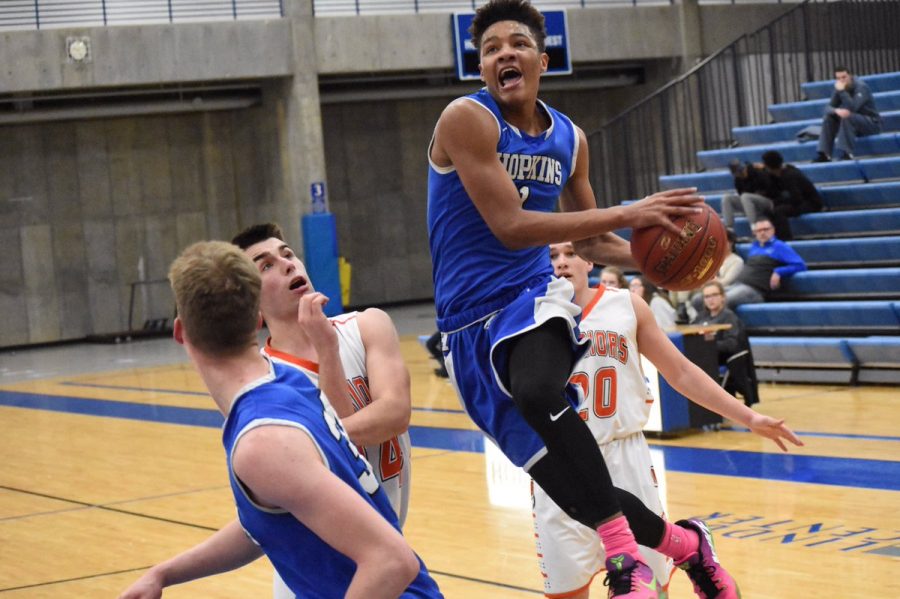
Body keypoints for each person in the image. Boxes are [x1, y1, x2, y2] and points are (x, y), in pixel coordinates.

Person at [427, 1, 780, 596]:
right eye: (489, 49)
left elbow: (589, 242)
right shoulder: (467, 118)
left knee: (540, 391)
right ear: (482, 67)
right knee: (571, 490)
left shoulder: (570, 138)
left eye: (515, 44)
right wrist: (631, 212)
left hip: (528, 294)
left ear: (542, 59)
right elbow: (509, 224)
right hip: (465, 323)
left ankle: (624, 559)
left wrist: (661, 260)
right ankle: (689, 547)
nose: (502, 55)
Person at [117, 241, 442, 599]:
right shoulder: (290, 385)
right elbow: (267, 518)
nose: (285, 265)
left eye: (287, 255)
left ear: (181, 333)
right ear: (255, 319)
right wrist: (163, 574)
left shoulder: (262, 441)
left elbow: (392, 561)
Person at [542, 242, 798, 598]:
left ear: (590, 258)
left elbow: (680, 371)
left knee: (648, 588)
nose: (561, 262)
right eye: (551, 255)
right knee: (566, 591)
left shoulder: (626, 305)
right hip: (556, 465)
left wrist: (748, 415)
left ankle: (691, 551)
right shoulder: (530, 315)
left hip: (623, 456)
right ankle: (692, 547)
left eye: (570, 253)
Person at [231, 223, 415, 599]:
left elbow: (394, 412)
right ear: (252, 305)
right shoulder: (261, 383)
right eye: (265, 266)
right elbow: (341, 463)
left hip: (379, 558)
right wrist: (327, 352)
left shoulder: (367, 326)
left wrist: (327, 348)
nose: (285, 264)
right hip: (315, 571)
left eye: (287, 254)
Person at [691, 281, 759, 407]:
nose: (711, 299)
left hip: (721, 359)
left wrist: (708, 346)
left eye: (714, 295)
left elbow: (731, 344)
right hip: (702, 358)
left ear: (723, 297)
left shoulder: (729, 317)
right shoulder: (701, 317)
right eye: (707, 296)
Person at [724, 216, 807, 309]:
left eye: (766, 229)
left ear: (773, 230)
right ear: (755, 233)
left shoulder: (779, 246)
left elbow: (800, 265)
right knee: (705, 297)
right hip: (737, 285)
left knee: (720, 301)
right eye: (759, 230)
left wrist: (779, 271)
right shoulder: (755, 246)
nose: (762, 233)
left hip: (754, 291)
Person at [814, 66, 881, 162]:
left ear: (850, 76)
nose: (841, 80)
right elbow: (827, 108)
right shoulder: (839, 88)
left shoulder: (861, 87)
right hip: (853, 125)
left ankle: (847, 153)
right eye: (838, 78)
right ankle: (824, 154)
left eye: (844, 77)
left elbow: (853, 107)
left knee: (848, 116)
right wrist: (836, 111)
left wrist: (842, 91)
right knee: (829, 117)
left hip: (871, 123)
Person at [762, 150, 823, 239]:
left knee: (779, 211)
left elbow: (796, 199)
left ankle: (786, 239)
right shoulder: (777, 175)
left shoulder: (790, 175)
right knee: (770, 210)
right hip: (798, 201)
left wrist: (777, 202)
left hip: (811, 202)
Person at [687, 228, 744, 316]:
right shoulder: (711, 258)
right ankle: (681, 307)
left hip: (724, 289)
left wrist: (706, 282)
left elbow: (726, 281)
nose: (722, 244)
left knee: (697, 297)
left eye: (726, 241)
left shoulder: (737, 261)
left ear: (731, 243)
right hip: (705, 285)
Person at [721, 159, 779, 229]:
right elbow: (740, 194)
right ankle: (729, 228)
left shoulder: (759, 173)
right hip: (750, 205)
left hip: (768, 202)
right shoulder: (738, 180)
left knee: (745, 196)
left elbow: (772, 190)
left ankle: (754, 227)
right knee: (727, 198)